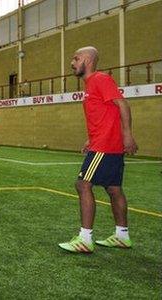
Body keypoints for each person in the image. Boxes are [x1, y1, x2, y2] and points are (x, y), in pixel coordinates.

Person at [58, 46, 138, 253]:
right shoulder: (90, 85)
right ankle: (122, 236)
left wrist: (128, 135)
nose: (72, 63)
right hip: (103, 142)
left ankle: (85, 239)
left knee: (83, 184)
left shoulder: (100, 79)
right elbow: (105, 114)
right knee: (113, 188)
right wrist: (89, 138)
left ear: (88, 59)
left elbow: (122, 105)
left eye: (76, 58)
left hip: (105, 145)